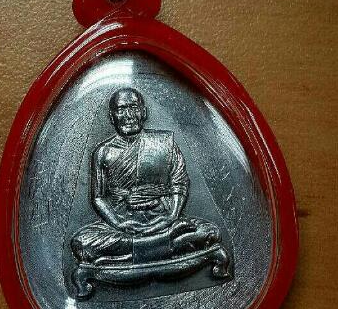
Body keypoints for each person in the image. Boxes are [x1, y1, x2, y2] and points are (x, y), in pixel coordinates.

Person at [71, 87, 225, 265]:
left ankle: (136, 252)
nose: (129, 115)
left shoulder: (163, 144)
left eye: (134, 108)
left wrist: (172, 216)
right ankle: (166, 244)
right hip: (124, 226)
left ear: (143, 112)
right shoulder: (103, 152)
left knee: (210, 232)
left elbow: (179, 182)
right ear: (112, 117)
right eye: (121, 109)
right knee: (82, 243)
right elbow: (98, 197)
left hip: (163, 218)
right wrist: (118, 223)